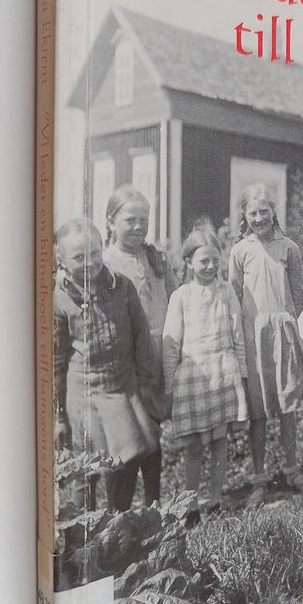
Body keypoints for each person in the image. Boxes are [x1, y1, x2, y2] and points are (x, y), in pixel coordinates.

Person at [54, 219, 160, 512]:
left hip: (121, 386)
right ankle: (81, 531)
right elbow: (56, 362)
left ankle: (118, 520)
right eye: (79, 257)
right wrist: (59, 416)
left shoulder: (121, 286)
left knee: (129, 457)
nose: (89, 262)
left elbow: (141, 337)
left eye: (94, 253)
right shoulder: (59, 299)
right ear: (61, 260)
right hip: (84, 393)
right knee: (86, 467)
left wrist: (146, 385)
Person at [229, 184, 303, 506]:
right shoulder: (240, 251)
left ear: (273, 211)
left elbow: (298, 294)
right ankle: (259, 479)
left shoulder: (289, 248)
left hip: (283, 335)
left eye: (263, 211)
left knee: (288, 404)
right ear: (244, 215)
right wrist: (247, 331)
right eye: (252, 213)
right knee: (259, 411)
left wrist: (287, 323)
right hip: (254, 338)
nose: (258, 218)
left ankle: (292, 470)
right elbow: (235, 296)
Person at [163, 222, 248, 526]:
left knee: (219, 441)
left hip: (223, 372)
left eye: (215, 260)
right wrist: (170, 385)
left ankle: (215, 498)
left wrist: (242, 372)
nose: (211, 266)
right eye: (203, 261)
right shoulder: (181, 296)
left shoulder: (226, 291)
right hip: (193, 377)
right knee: (194, 446)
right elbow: (170, 344)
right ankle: (190, 503)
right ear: (188, 262)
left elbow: (238, 334)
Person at [103, 184, 178, 506]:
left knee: (153, 432)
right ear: (111, 222)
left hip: (157, 354)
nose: (138, 226)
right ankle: (118, 510)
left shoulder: (156, 258)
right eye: (130, 220)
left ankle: (153, 505)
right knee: (126, 437)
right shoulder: (105, 264)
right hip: (125, 360)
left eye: (144, 220)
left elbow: (175, 300)